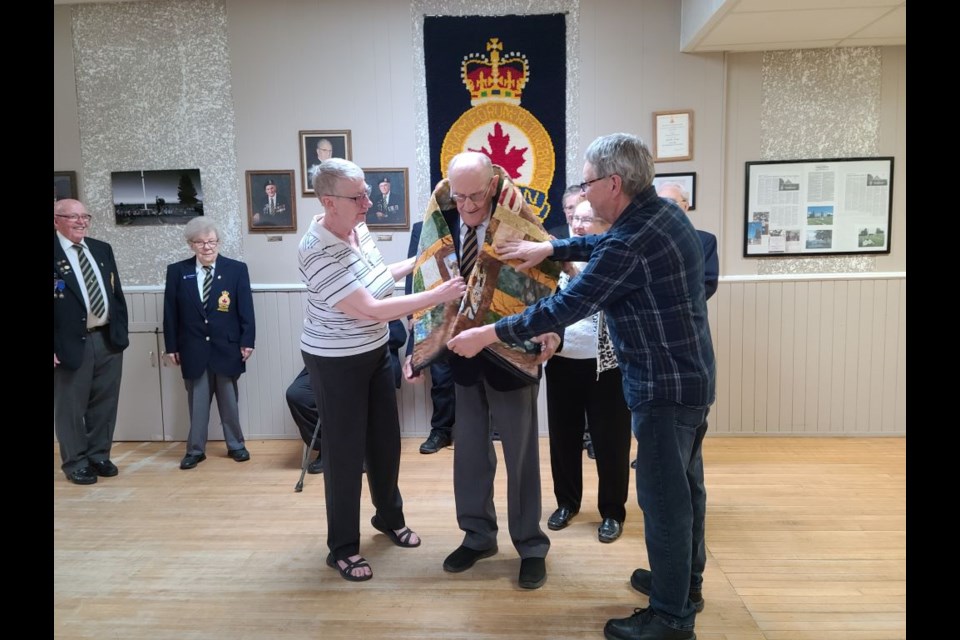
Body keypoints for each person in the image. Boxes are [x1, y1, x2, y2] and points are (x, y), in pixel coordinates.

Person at [447, 133, 716, 640]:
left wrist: (487, 332)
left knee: (664, 503)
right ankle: (683, 586)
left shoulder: (631, 241)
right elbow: (600, 244)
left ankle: (670, 618)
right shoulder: (662, 216)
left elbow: (564, 307)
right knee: (687, 492)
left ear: (615, 183)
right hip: (692, 379)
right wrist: (551, 245)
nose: (584, 195)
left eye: (589, 183)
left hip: (662, 388)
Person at [299, 158, 466, 582]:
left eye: (367, 192)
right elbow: (371, 307)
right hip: (335, 361)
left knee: (385, 443)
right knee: (344, 453)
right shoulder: (316, 250)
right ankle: (341, 547)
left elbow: (377, 278)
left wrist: (417, 263)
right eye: (359, 197)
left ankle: (388, 518)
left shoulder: (356, 227)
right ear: (328, 201)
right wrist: (437, 295)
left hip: (374, 351)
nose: (369, 203)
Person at [403, 151, 561, 590]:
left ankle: (530, 545)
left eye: (475, 196)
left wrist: (553, 329)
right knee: (469, 452)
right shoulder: (436, 223)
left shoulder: (518, 220)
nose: (467, 205)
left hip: (512, 352)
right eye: (459, 196)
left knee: (521, 455)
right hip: (463, 358)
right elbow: (421, 285)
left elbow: (547, 280)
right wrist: (415, 345)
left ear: (493, 184)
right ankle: (477, 536)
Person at [543, 200, 632, 544]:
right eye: (575, 218)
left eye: (587, 218)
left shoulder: (612, 255)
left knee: (611, 442)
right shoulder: (556, 261)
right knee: (562, 439)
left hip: (606, 366)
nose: (578, 225)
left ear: (603, 223)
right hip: (563, 360)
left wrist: (571, 270)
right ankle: (567, 503)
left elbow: (598, 299)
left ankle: (612, 511)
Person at [627, 181, 719, 470]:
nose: (666, 209)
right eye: (661, 203)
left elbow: (707, 283)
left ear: (686, 206)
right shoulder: (642, 239)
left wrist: (671, 302)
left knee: (685, 428)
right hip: (649, 347)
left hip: (686, 338)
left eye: (673, 203)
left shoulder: (703, 239)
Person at [163, 218, 256, 470]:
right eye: (200, 242)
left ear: (218, 242)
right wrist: (171, 347)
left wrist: (247, 341)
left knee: (229, 401)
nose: (207, 247)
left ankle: (236, 445)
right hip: (192, 349)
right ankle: (195, 450)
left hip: (227, 348)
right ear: (191, 245)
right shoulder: (177, 271)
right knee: (198, 402)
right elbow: (170, 313)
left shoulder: (236, 269)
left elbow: (246, 309)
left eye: (212, 241)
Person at [54, 199, 130, 485]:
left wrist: (121, 332)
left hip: (107, 339)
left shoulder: (101, 249)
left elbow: (116, 294)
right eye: (72, 217)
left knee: (105, 403)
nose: (81, 222)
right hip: (69, 344)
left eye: (85, 216)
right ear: (56, 220)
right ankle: (75, 463)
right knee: (71, 408)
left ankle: (99, 455)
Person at [286, 319, 409, 474]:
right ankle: (330, 449)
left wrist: (360, 339)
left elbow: (399, 335)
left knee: (355, 393)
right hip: (330, 361)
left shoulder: (374, 300)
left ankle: (363, 453)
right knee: (298, 394)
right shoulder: (329, 304)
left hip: (371, 360)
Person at [404, 221, 455, 454]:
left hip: (471, 307)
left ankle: (478, 431)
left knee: (478, 374)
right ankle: (441, 430)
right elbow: (414, 271)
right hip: (435, 309)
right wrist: (412, 312)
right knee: (441, 375)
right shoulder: (422, 227)